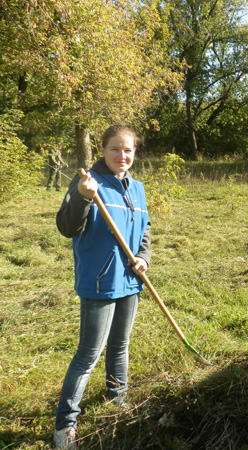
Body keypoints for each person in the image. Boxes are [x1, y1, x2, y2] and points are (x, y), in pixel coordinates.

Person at [53, 125, 151, 449]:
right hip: (100, 282)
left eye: (128, 151)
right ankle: (65, 426)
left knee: (120, 347)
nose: (122, 156)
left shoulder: (137, 189)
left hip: (130, 281)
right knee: (87, 355)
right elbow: (67, 227)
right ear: (103, 150)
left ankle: (117, 402)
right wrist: (82, 197)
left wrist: (143, 258)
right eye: (115, 149)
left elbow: (145, 230)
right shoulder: (89, 184)